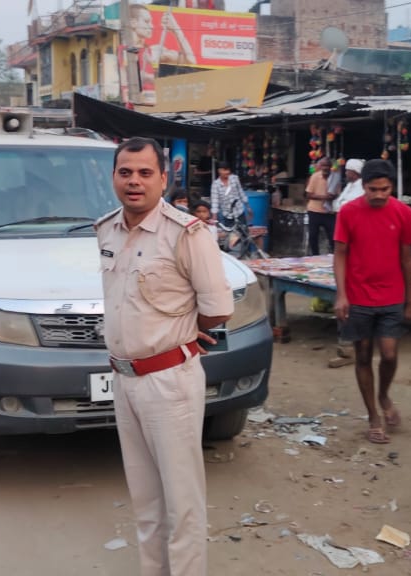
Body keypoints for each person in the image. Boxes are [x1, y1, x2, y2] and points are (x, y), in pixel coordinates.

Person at [95, 137, 232, 576]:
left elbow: (217, 309)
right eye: (125, 172)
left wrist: (187, 334)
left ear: (164, 178)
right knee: (145, 500)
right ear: (114, 176)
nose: (134, 181)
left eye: (144, 172)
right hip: (124, 379)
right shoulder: (106, 229)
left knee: (182, 503)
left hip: (169, 382)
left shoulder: (187, 233)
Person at [332, 159, 411, 444]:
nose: (379, 195)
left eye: (385, 189)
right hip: (358, 296)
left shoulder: (404, 212)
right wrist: (342, 294)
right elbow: (340, 254)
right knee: (363, 354)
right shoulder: (347, 212)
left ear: (392, 187)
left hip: (392, 295)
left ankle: (383, 394)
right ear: (363, 186)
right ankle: (373, 415)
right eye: (373, 189)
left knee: (390, 353)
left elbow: (408, 259)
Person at [128, 4, 196, 106]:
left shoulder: (155, 51)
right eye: (146, 21)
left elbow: (190, 60)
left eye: (151, 22)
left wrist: (175, 29)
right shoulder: (122, 49)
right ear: (133, 23)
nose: (151, 26)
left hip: (150, 104)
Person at [305, 157, 336, 255]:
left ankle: (334, 257)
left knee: (333, 237)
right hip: (314, 211)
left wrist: (333, 196)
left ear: (331, 167)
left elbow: (338, 194)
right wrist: (324, 197)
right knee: (313, 236)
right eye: (323, 165)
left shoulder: (335, 178)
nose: (325, 168)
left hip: (329, 212)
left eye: (327, 165)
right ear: (320, 166)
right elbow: (309, 195)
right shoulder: (315, 176)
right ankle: (315, 256)